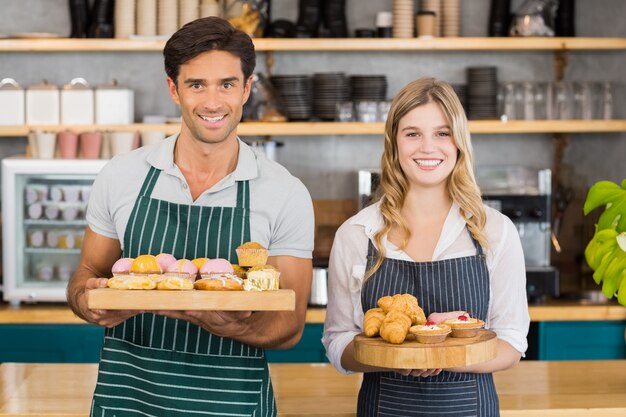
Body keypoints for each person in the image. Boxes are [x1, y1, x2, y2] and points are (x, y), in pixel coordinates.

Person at [67, 16, 314, 417]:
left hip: (232, 405)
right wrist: (87, 301)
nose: (213, 102)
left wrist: (229, 325)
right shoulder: (121, 175)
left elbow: (290, 324)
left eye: (227, 85)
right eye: (196, 84)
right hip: (128, 400)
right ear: (174, 89)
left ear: (247, 88)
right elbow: (86, 273)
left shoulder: (285, 192)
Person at [322, 77, 529, 417]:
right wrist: (395, 358)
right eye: (413, 133)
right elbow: (339, 342)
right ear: (394, 144)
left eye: (442, 133)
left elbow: (512, 343)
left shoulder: (494, 231)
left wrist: (440, 355)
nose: (428, 147)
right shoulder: (357, 234)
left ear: (459, 142)